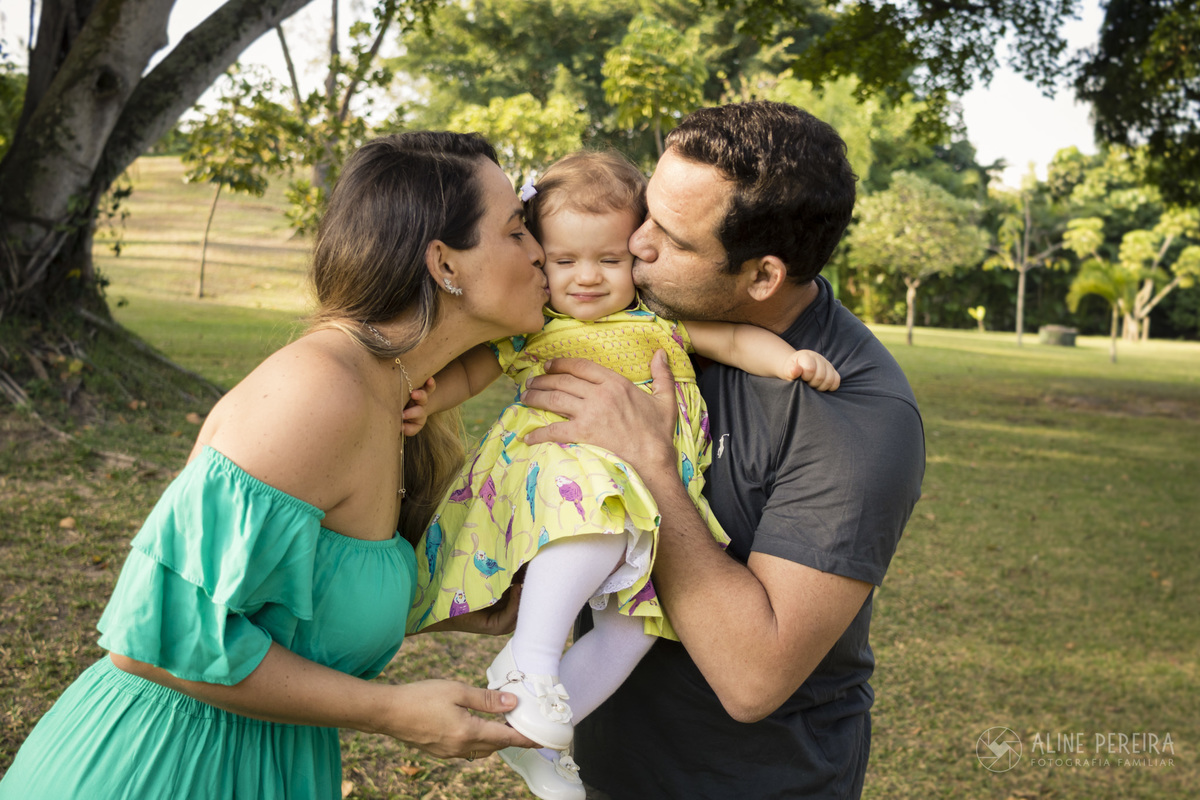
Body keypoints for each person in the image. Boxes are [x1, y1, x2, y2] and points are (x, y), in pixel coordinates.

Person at [0, 131, 545, 799]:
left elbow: (292, 596)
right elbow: (153, 636)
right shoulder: (318, 391)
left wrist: (451, 606)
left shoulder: (395, 396)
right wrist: (391, 712)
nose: (541, 251)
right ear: (445, 263)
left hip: (260, 762)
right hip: (162, 769)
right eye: (517, 230)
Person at [405, 149, 841, 800]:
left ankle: (531, 731)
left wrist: (791, 361)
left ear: (635, 259)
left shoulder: (657, 322)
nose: (586, 277)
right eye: (564, 261)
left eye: (609, 260)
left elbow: (733, 342)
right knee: (597, 521)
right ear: (538, 261)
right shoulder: (536, 328)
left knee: (635, 625)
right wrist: (424, 394)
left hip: (646, 498)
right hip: (566, 471)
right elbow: (473, 371)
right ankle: (533, 663)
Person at [521, 101, 926, 798]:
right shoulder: (646, 318)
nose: (636, 243)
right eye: (645, 211)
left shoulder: (856, 415)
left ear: (762, 276)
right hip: (605, 768)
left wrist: (649, 463)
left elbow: (753, 678)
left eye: (671, 239)